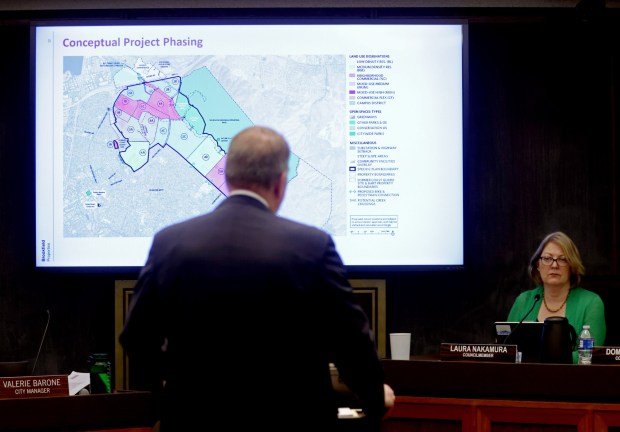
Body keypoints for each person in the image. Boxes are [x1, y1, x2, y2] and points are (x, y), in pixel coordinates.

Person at [119, 125, 395, 431]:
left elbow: (136, 338)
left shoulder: (169, 243)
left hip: (194, 421)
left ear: (227, 176)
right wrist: (373, 398)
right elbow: (350, 341)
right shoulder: (312, 246)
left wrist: (169, 397)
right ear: (280, 183)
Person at [508, 231, 606, 364]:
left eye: (562, 259)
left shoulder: (591, 303)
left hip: (574, 382)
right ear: (538, 265)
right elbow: (507, 350)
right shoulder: (523, 301)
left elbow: (589, 355)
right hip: (525, 381)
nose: (554, 265)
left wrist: (542, 360)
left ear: (572, 266)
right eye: (547, 258)